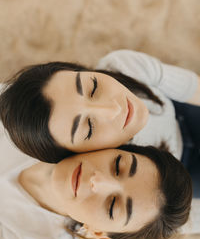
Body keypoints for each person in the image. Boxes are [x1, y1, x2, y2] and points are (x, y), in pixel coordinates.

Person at [0, 50, 199, 195]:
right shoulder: (111, 185)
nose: (114, 109)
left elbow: (192, 88)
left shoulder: (123, 66)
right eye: (89, 128)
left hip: (180, 112)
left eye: (93, 88)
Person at [0, 127, 192, 239]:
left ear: (99, 232)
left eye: (112, 206)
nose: (97, 181)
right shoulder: (35, 118)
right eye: (118, 165)